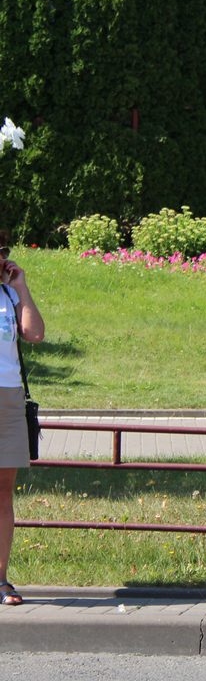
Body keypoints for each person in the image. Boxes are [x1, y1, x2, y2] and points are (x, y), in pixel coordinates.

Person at [0, 234, 45, 606]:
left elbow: (34, 333)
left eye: (3, 253)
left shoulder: (10, 296)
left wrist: (22, 288)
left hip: (10, 398)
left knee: (2, 494)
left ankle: (0, 580)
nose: (1, 260)